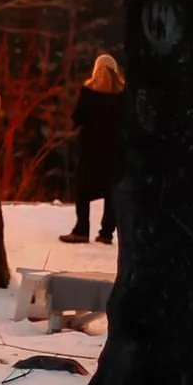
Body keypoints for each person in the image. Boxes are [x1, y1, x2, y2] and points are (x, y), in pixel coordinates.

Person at [62, 51, 126, 244]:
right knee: (111, 192)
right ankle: (106, 233)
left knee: (83, 189)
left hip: (90, 149)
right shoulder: (124, 95)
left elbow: (77, 118)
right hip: (115, 150)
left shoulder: (88, 92)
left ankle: (82, 230)